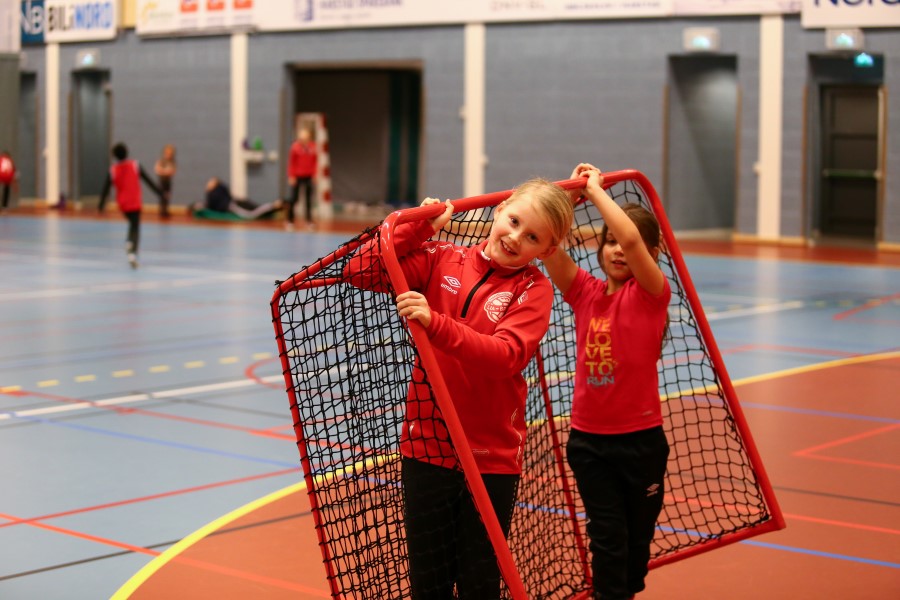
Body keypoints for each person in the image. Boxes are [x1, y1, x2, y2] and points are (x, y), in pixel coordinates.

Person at [343, 179, 574, 599]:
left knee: (478, 583)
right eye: (514, 221)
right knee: (428, 583)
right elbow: (359, 270)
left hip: (491, 459)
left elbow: (505, 356)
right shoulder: (442, 258)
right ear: (499, 211)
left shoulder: (533, 289)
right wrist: (417, 228)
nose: (516, 237)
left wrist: (436, 323)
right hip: (427, 448)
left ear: (547, 250)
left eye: (533, 237)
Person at [542, 164, 671, 600]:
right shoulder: (586, 292)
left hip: (641, 444)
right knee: (608, 537)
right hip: (590, 444)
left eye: (625, 244)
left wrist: (596, 192)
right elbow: (550, 247)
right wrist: (571, 201)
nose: (618, 250)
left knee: (636, 546)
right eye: (609, 242)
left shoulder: (651, 293)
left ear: (652, 254)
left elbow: (633, 240)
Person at [98, 143, 164, 269]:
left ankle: (129, 242)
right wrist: (160, 193)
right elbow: (148, 180)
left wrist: (101, 205)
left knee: (132, 223)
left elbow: (106, 188)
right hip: (134, 201)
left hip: (122, 204)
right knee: (135, 226)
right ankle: (132, 252)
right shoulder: (135, 165)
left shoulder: (113, 170)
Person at [190, 177, 283, 220]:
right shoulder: (209, 197)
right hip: (232, 204)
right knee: (253, 211)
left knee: (252, 212)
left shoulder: (219, 188)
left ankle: (273, 206)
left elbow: (226, 191)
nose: (209, 183)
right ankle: (273, 206)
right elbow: (212, 206)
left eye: (211, 181)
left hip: (234, 204)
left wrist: (217, 182)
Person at [285, 126, 318, 231]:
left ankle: (309, 221)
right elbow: (291, 163)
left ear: (309, 138)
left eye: (305, 138)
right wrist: (291, 176)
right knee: (294, 199)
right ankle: (290, 220)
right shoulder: (295, 147)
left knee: (308, 199)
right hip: (297, 176)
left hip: (308, 176)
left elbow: (315, 162)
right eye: (301, 138)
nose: (303, 140)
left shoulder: (313, 147)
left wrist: (314, 174)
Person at [154, 144, 177, 218]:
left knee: (167, 196)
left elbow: (173, 171)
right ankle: (162, 210)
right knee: (162, 196)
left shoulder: (172, 161)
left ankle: (166, 210)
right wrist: (165, 171)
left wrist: (166, 171)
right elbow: (157, 170)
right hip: (162, 181)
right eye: (167, 153)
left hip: (168, 181)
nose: (169, 155)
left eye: (170, 153)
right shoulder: (161, 161)